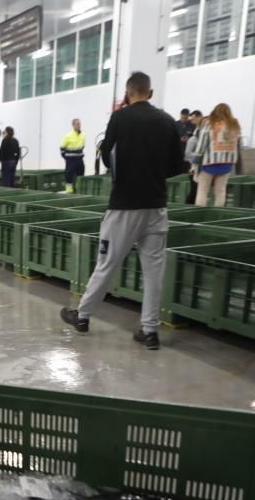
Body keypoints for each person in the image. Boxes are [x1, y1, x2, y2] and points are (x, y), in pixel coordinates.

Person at [60, 72, 185, 350]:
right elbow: (178, 166)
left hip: (124, 206)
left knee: (107, 264)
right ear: (150, 93)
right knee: (153, 272)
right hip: (156, 206)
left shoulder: (120, 118)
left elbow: (106, 156)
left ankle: (82, 316)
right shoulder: (167, 121)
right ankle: (149, 331)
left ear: (128, 94)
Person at [192, 103, 241, 207]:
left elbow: (202, 144)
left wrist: (195, 163)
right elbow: (238, 145)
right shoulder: (234, 124)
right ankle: (218, 215)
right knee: (221, 191)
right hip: (227, 163)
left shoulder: (209, 123)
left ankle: (199, 215)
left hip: (209, 163)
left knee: (202, 191)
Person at [60, 119, 85, 193]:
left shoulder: (83, 135)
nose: (79, 125)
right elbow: (62, 148)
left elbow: (82, 146)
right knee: (69, 174)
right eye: (77, 124)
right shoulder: (68, 135)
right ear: (73, 125)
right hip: (70, 160)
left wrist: (79, 154)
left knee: (81, 173)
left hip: (79, 159)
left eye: (79, 124)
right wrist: (66, 157)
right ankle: (69, 190)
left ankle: (78, 189)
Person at [184, 110, 203, 204]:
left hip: (200, 168)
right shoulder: (193, 140)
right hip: (192, 167)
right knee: (194, 190)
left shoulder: (200, 138)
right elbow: (187, 154)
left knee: (197, 190)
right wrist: (200, 158)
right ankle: (188, 207)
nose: (192, 121)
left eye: (193, 119)